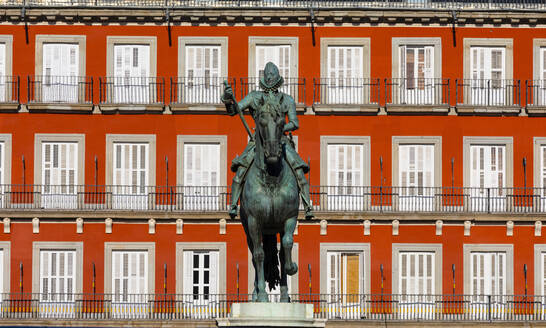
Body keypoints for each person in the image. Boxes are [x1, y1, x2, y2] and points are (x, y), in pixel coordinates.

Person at [222, 62, 314, 220]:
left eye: (272, 77)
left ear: (277, 79)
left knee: (299, 171)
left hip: (281, 141)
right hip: (258, 142)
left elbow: (295, 123)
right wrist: (227, 98)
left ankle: (307, 206)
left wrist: (280, 130)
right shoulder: (254, 97)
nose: (270, 79)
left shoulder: (287, 100)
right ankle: (233, 204)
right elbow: (233, 111)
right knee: (241, 170)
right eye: (268, 76)